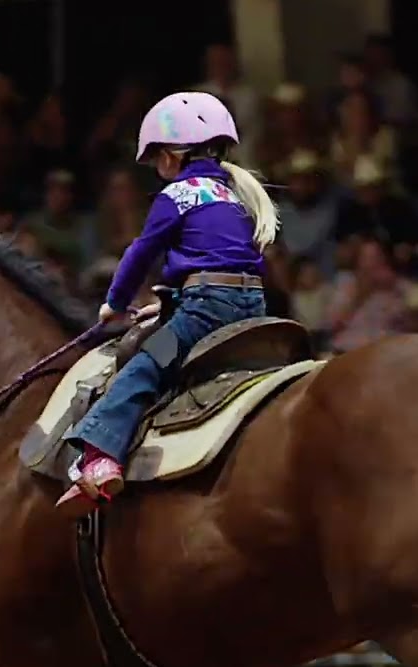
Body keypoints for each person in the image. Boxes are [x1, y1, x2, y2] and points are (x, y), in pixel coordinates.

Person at [59, 91, 276, 517]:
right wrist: (170, 300)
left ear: (174, 154)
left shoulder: (176, 195)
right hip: (251, 306)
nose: (158, 169)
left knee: (143, 366)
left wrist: (115, 303)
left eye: (157, 157)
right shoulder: (234, 197)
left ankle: (101, 459)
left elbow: (141, 252)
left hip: (205, 310)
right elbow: (225, 258)